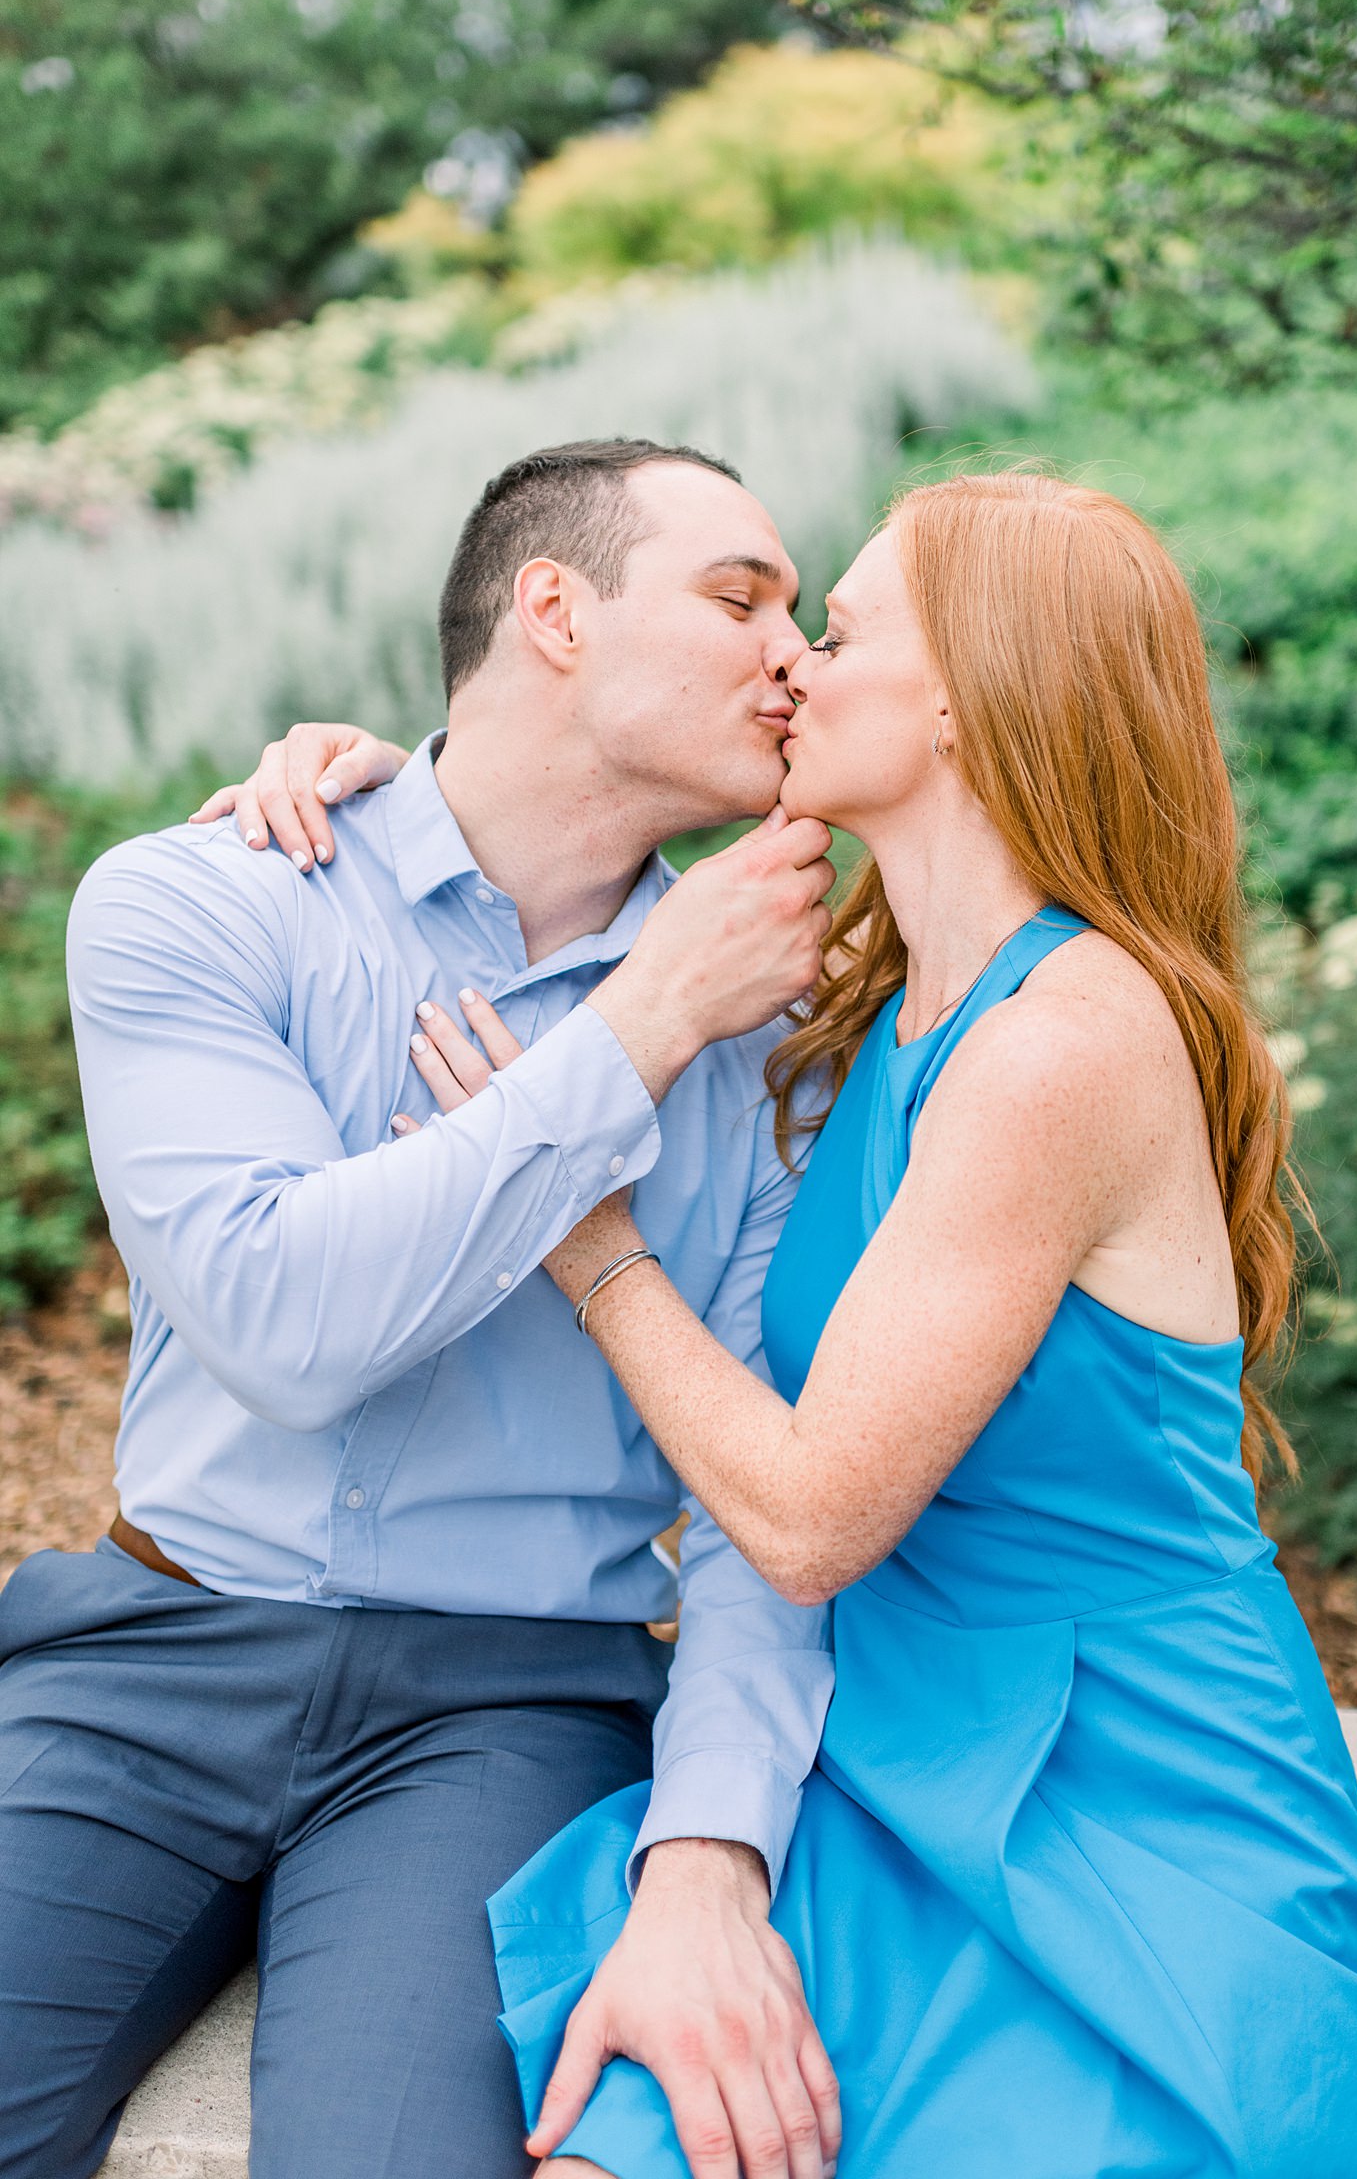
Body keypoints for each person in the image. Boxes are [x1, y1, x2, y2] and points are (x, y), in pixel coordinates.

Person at [263, 471, 1357, 2179]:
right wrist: (370, 773)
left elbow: (808, 1511)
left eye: (831, 631)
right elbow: (541, 820)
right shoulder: (871, 1003)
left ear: (959, 700)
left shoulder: (1059, 1042)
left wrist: (593, 1246)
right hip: (873, 1739)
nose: (786, 668)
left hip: (1114, 1762)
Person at [0, 440, 848, 2179]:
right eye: (737, 596)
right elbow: (279, 1324)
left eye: (804, 614)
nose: (791, 651)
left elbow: (776, 1498)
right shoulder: (201, 901)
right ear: (552, 609)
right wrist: (631, 1035)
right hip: (151, 1652)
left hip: (511, 1706)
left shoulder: (778, 1041)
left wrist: (709, 1854)